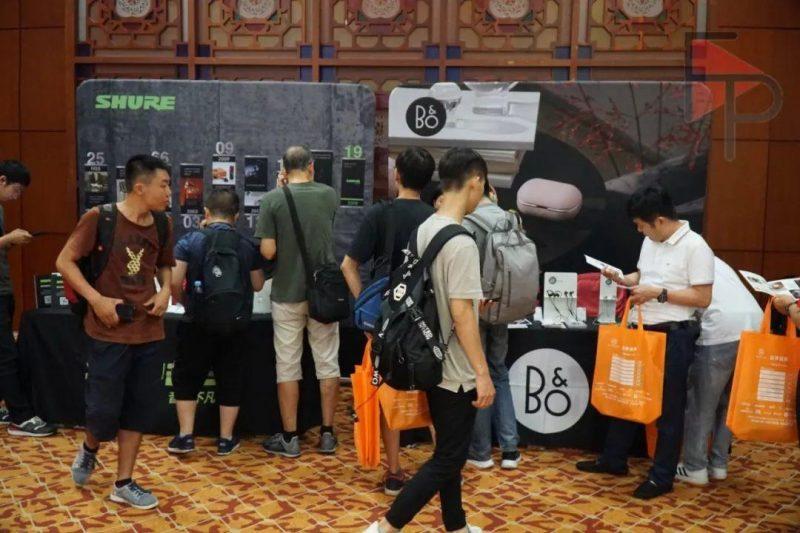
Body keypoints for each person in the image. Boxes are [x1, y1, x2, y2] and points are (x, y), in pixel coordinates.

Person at [365, 148, 496, 533]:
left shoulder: (425, 228)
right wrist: (482, 373)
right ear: (475, 182)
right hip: (455, 367)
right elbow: (462, 313)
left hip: (428, 356)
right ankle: (386, 527)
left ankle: (456, 525)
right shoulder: (462, 242)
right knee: (450, 458)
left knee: (447, 451)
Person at [576, 186, 714, 500]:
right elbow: (643, 275)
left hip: (674, 335)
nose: (639, 231)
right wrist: (623, 279)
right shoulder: (651, 241)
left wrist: (659, 294)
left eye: (641, 225)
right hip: (642, 330)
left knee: (669, 409)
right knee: (627, 395)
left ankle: (662, 476)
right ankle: (614, 459)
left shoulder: (696, 247)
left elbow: (702, 297)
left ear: (660, 220)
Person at [56, 154, 174, 510]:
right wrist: (96, 300)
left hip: (148, 331)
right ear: (140, 187)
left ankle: (123, 482)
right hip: (107, 332)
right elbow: (64, 261)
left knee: (137, 409)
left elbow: (165, 265)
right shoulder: (101, 218)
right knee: (103, 412)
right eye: (164, 185)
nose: (170, 192)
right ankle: (90, 447)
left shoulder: (163, 224)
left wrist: (165, 291)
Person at [341, 147, 435, 495]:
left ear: (397, 176)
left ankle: (395, 472)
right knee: (435, 392)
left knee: (387, 390)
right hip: (426, 318)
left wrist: (367, 310)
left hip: (387, 319)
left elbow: (348, 266)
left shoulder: (380, 215)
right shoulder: (436, 219)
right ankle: (442, 468)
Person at [256, 145, 340, 457]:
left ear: (283, 169)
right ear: (311, 167)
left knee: (288, 366)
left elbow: (267, 251)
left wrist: (279, 190)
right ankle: (328, 433)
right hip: (324, 293)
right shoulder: (329, 195)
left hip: (287, 293)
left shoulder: (272, 200)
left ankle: (290, 438)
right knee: (327, 362)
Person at [167, 189, 266, 456]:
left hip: (196, 321)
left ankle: (185, 436)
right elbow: (258, 284)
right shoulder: (246, 245)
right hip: (236, 324)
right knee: (230, 377)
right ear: (237, 215)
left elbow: (175, 280)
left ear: (206, 212)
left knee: (187, 375)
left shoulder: (190, 241)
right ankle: (226, 439)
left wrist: (184, 302)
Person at [675, 257, 762, 485]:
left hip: (721, 329)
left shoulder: (681, 260)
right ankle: (719, 464)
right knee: (729, 403)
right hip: (756, 327)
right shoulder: (714, 259)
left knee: (701, 403)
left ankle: (694, 467)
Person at [464, 182, 521, 471]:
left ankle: (481, 452)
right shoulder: (512, 219)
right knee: (499, 371)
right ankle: (510, 449)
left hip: (476, 308)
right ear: (493, 192)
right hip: (504, 307)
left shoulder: (467, 222)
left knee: (479, 373)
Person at [0, 160, 57, 437]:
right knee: (6, 354)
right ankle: (20, 417)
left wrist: (9, 242)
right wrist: (6, 239)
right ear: (2, 180)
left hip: (3, 289)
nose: (17, 197)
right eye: (16, 190)